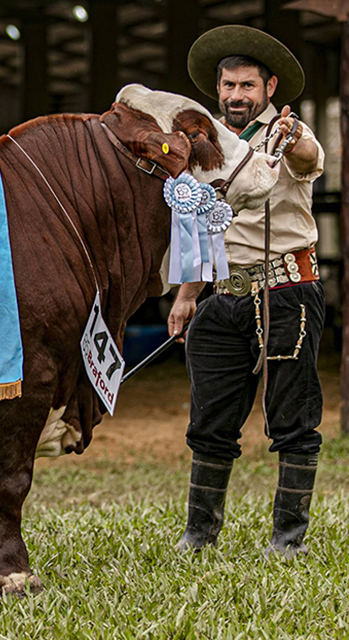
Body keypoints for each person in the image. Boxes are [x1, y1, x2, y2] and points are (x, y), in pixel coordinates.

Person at [169, 25, 325, 557]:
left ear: (270, 87)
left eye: (247, 86)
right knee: (209, 421)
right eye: (229, 86)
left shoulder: (287, 132)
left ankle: (289, 540)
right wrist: (188, 293)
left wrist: (296, 139)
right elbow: (207, 223)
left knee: (293, 421)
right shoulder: (206, 146)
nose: (236, 95)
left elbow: (307, 158)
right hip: (221, 297)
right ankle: (198, 534)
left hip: (286, 292)